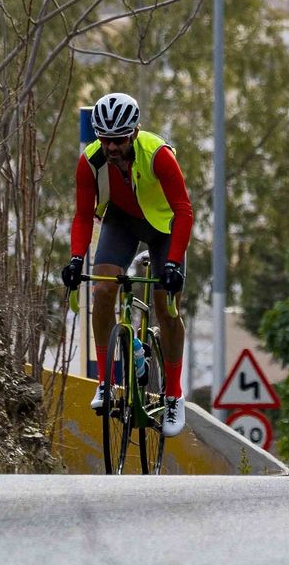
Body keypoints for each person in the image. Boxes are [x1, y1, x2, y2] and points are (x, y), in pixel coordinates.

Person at [63, 91, 193, 437]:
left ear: (133, 133)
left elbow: (183, 210)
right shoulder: (90, 162)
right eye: (105, 140)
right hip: (121, 220)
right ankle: (106, 381)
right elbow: (81, 216)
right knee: (103, 289)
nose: (112, 147)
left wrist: (174, 265)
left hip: (163, 226)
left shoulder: (159, 156)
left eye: (118, 140)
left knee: (167, 309)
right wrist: (76, 259)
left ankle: (174, 395)